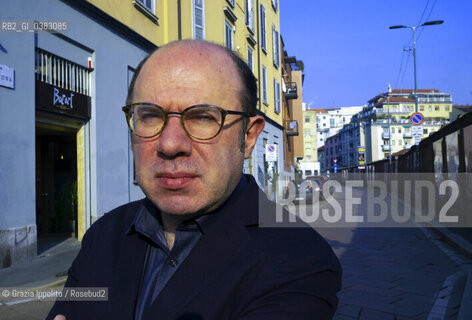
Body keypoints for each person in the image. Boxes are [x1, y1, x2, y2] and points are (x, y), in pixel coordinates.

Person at [47, 40, 341, 320]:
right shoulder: (104, 234)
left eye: (202, 117)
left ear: (249, 137)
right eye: (149, 115)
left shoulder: (300, 259)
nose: (170, 143)